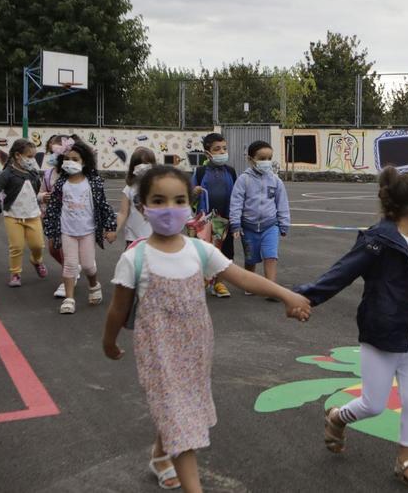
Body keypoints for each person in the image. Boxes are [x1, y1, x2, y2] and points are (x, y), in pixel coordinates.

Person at [101, 165, 312, 493]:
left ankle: (159, 455)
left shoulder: (199, 250)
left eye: (178, 200)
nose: (169, 208)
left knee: (180, 407)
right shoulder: (135, 258)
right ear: (143, 207)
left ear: (190, 206)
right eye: (159, 200)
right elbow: (118, 307)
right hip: (157, 353)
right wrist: (108, 341)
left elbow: (242, 277)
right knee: (181, 418)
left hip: (196, 349)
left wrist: (286, 293)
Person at [295, 166, 408, 492]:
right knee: (373, 404)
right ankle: (337, 417)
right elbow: (341, 273)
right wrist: (303, 297)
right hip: (383, 334)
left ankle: (406, 461)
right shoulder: (378, 242)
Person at [44, 141, 117, 314]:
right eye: (67, 159)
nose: (70, 162)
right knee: (69, 265)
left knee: (88, 266)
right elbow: (53, 209)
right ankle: (69, 299)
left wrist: (110, 227)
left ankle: (94, 285)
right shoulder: (61, 184)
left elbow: (103, 206)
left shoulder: (93, 183)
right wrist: (52, 233)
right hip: (67, 231)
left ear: (84, 162)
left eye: (75, 159)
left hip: (88, 231)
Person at [0, 139, 48, 288]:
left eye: (33, 157)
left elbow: (34, 193)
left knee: (37, 245)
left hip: (33, 215)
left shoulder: (34, 174)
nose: (32, 160)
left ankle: (37, 261)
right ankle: (15, 273)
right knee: (16, 246)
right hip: (13, 215)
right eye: (29, 156)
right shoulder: (7, 174)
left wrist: (42, 197)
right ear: (18, 155)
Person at [229, 140, 290, 297]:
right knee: (251, 259)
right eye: (262, 158)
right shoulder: (244, 180)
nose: (266, 162)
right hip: (248, 228)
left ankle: (271, 289)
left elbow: (282, 204)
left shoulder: (276, 181)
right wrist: (235, 224)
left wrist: (284, 224)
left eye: (269, 158)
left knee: (271, 256)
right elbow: (236, 202)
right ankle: (251, 284)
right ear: (250, 159)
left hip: (270, 226)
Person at [192, 133, 237, 298]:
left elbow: (236, 196)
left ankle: (219, 282)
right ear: (207, 153)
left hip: (226, 218)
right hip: (205, 220)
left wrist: (236, 217)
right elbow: (189, 197)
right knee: (204, 251)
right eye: (217, 149)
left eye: (224, 148)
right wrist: (194, 192)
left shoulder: (230, 171)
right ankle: (202, 279)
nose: (222, 152)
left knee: (224, 251)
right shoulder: (200, 172)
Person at [39, 134, 77, 299]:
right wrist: (42, 196)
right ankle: (72, 268)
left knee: (66, 249)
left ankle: (68, 277)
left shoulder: (72, 173)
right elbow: (39, 192)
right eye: (51, 153)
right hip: (51, 216)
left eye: (57, 153)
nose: (54, 156)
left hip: (70, 218)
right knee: (53, 249)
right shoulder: (47, 174)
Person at [118, 147, 158, 247]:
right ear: (133, 167)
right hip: (133, 238)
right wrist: (114, 230)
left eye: (147, 163)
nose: (143, 167)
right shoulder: (129, 188)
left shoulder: (158, 186)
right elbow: (123, 213)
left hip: (154, 238)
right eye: (139, 164)